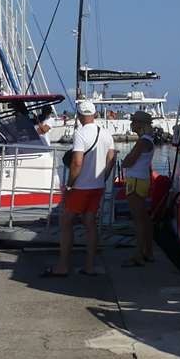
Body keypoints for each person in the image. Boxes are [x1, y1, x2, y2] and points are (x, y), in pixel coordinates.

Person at [47, 99, 112, 277]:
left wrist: (70, 185)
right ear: (95, 114)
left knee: (66, 222)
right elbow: (111, 157)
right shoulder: (106, 133)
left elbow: (76, 162)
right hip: (98, 186)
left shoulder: (80, 134)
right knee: (90, 224)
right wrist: (103, 178)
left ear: (79, 116)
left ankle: (63, 266)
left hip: (81, 186)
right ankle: (89, 266)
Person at [120, 111, 157, 266]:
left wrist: (124, 160)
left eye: (134, 121)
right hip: (142, 179)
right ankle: (148, 251)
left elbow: (129, 161)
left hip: (135, 181)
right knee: (144, 219)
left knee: (138, 220)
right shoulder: (149, 141)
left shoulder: (142, 142)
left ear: (140, 124)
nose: (132, 124)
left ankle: (138, 255)